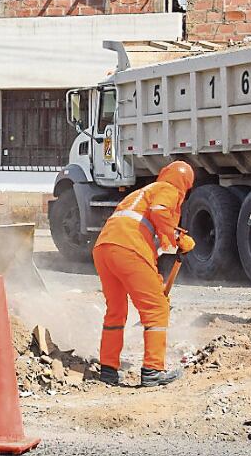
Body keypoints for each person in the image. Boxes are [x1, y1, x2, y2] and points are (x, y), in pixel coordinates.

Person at [92, 160, 196, 388]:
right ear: (185, 185)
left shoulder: (141, 193)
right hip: (129, 248)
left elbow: (149, 247)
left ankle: (108, 370)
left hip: (104, 247)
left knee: (116, 311)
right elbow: (160, 214)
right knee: (157, 309)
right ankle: (152, 371)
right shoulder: (168, 190)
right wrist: (179, 239)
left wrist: (156, 282)